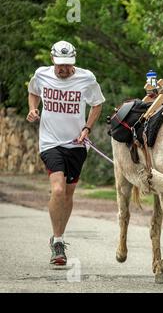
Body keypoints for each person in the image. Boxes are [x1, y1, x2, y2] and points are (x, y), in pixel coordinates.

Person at [26, 41, 105, 268]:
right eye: (60, 65)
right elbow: (33, 92)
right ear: (53, 60)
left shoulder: (86, 78)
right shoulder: (41, 75)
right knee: (58, 189)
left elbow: (97, 104)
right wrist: (33, 109)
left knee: (69, 193)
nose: (63, 69)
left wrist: (86, 128)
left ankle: (59, 235)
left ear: (74, 61)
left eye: (68, 65)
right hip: (50, 142)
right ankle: (58, 241)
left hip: (77, 145)